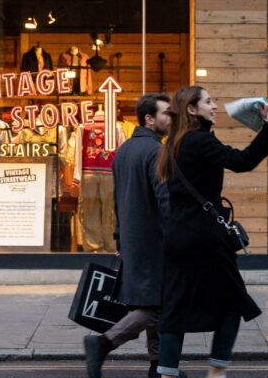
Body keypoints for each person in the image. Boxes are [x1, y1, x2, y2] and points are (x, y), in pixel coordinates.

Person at [154, 86, 268, 378]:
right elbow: (242, 161)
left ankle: (167, 374)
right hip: (205, 237)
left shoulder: (174, 143)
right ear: (191, 109)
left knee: (175, 307)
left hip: (177, 235)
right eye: (208, 102)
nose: (214, 106)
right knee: (232, 301)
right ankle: (216, 372)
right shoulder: (199, 141)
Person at [83, 93, 180, 378]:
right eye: (166, 114)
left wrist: (118, 238)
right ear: (149, 119)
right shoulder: (158, 151)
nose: (170, 119)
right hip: (156, 241)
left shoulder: (124, 150)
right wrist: (179, 234)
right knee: (159, 306)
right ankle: (103, 342)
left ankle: (157, 366)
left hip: (133, 241)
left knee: (151, 301)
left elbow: (117, 200)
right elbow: (166, 200)